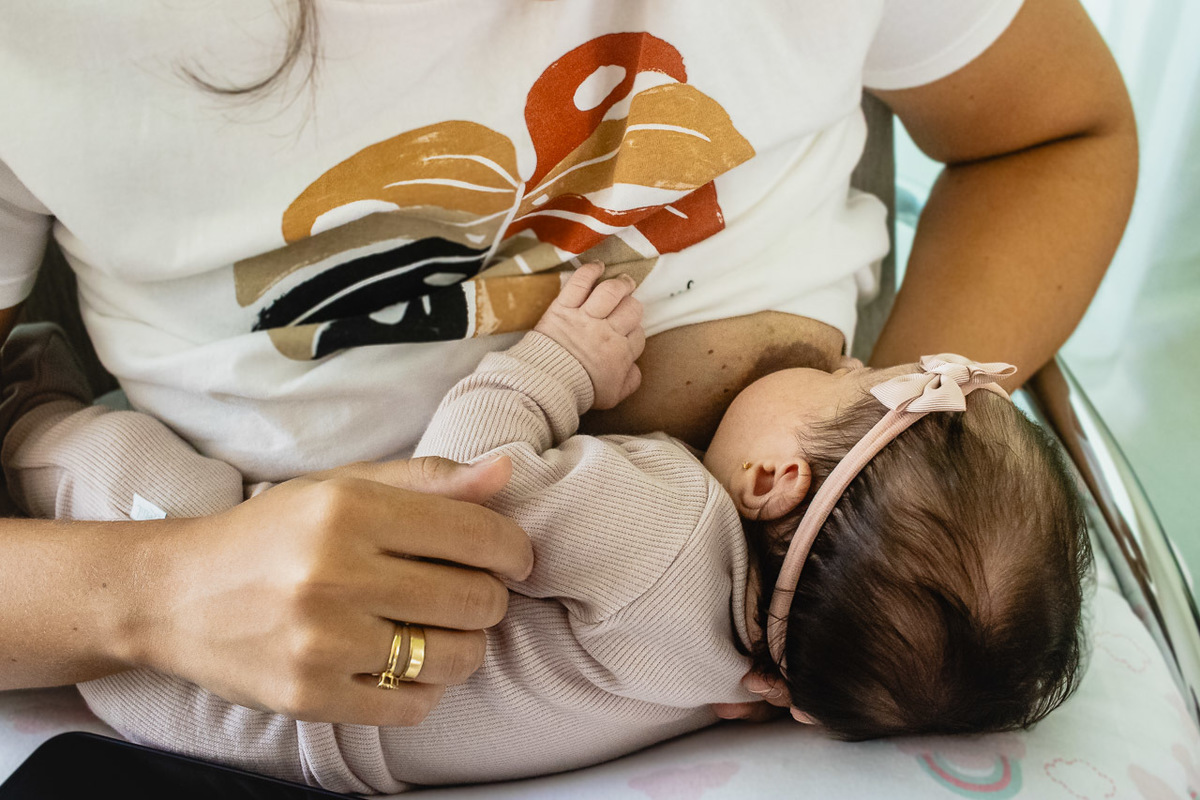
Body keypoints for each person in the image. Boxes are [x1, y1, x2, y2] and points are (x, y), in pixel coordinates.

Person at [0, 0, 1136, 730]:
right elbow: (472, 482)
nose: (860, 374)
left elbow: (1057, 130)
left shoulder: (684, 560)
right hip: (195, 631)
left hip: (305, 706)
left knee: (64, 443)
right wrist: (148, 593)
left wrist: (884, 484)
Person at [0, 264, 1090, 793]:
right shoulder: (750, 677)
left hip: (220, 677)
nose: (840, 356)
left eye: (844, 374)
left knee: (115, 464)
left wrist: (561, 360)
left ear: (769, 475)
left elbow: (471, 466)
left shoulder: (663, 523)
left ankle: (26, 407)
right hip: (309, 728)